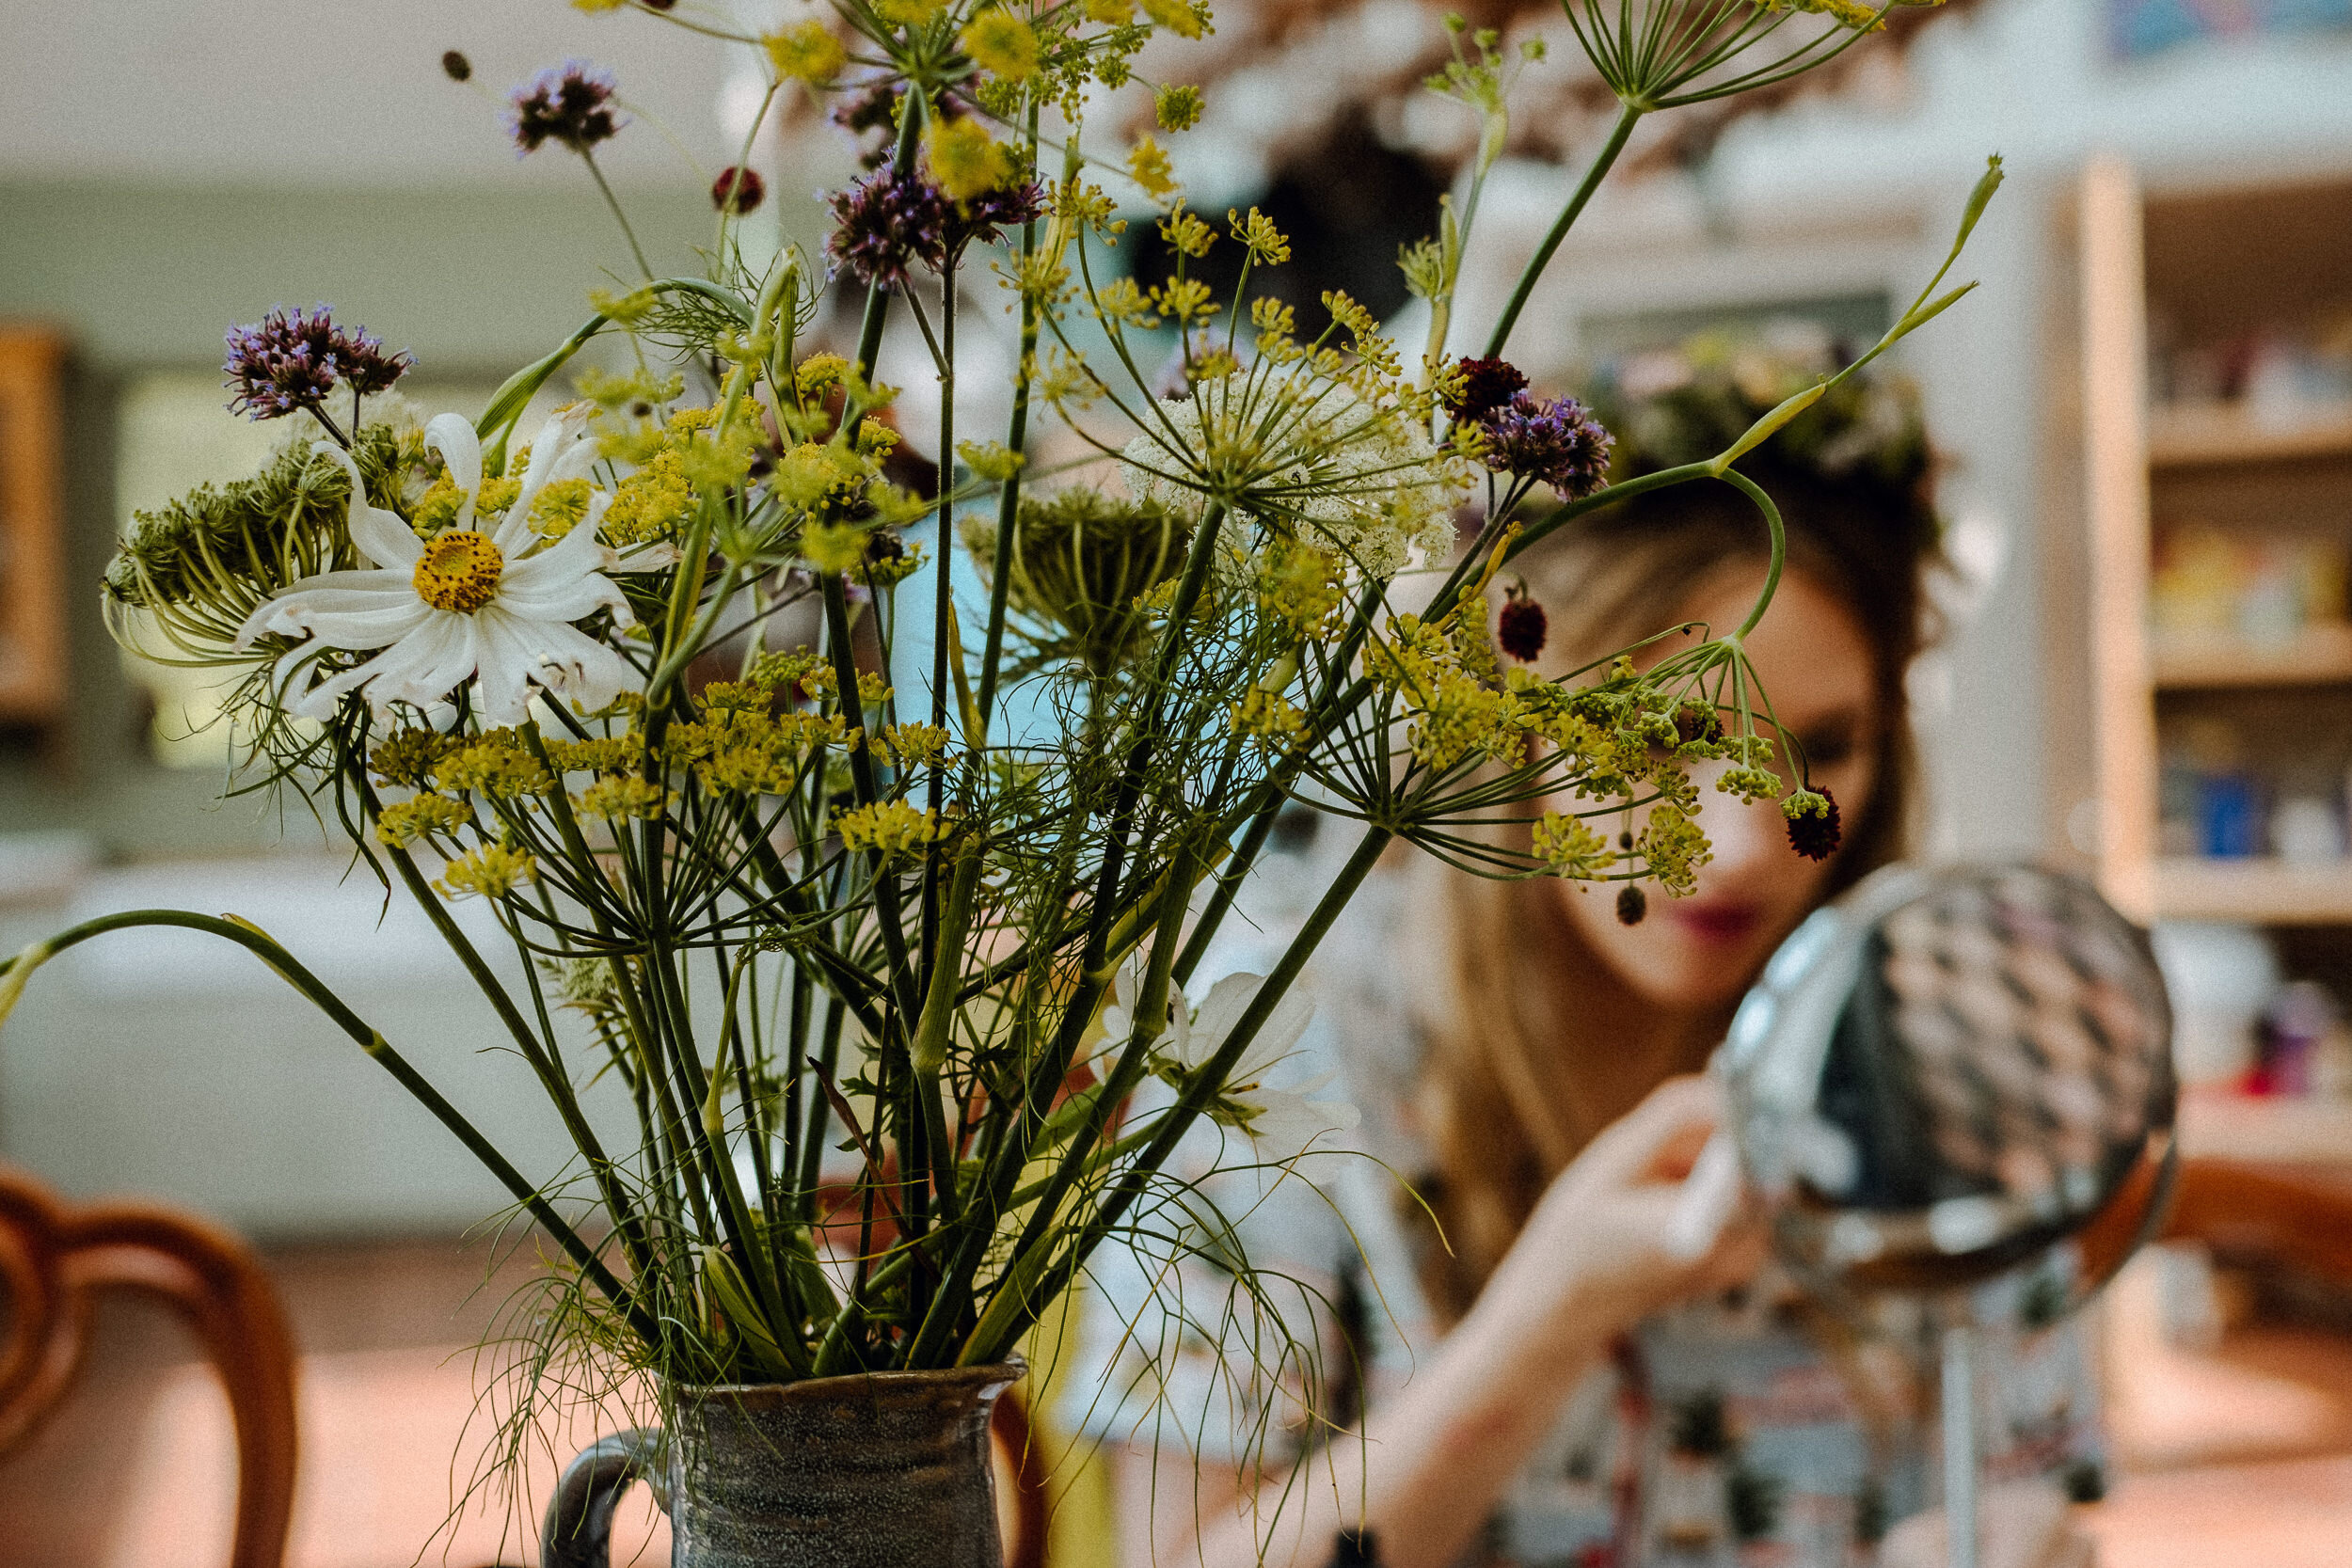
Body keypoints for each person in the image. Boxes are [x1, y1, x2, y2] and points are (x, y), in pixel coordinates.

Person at [1066, 331, 2104, 1568]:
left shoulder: (1947, 1064)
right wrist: (1546, 1318)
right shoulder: (1265, 1051)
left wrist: (2027, 1541)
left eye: (1821, 746)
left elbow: (2033, 1492)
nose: (1735, 849)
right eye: (1658, 738)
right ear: (1511, 715)